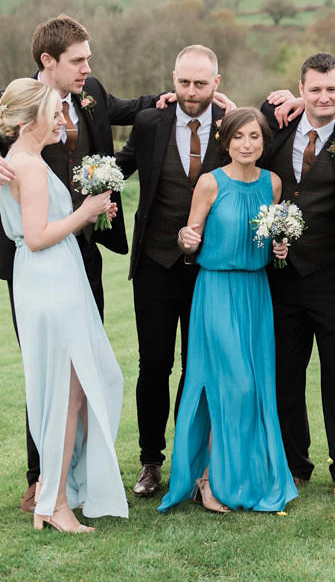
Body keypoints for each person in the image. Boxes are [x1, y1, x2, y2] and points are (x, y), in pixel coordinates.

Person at [0, 14, 159, 512]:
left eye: (89, 59)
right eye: (78, 60)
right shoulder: (15, 101)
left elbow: (136, 106)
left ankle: (78, 475)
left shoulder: (93, 93)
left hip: (83, 253)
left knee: (83, 366)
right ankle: (41, 476)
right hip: (37, 258)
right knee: (46, 367)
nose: (88, 67)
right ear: (49, 62)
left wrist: (186, 97)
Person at [0, 78, 128, 532]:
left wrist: (85, 211)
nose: (63, 119)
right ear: (32, 120)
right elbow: (35, 237)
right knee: (66, 396)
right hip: (48, 279)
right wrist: (84, 213)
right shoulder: (27, 166)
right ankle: (55, 503)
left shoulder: (28, 160)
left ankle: (60, 494)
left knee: (74, 392)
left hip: (55, 277)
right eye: (55, 112)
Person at [158, 108, 298, 513]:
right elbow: (191, 240)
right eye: (239, 137)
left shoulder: (272, 184)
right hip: (216, 290)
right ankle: (208, 479)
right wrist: (186, 240)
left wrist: (280, 250)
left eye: (254, 137)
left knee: (254, 389)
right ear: (226, 141)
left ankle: (241, 475)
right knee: (229, 386)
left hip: (256, 293)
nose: (247, 144)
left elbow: (271, 238)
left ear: (263, 141)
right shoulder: (209, 183)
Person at [114, 45, 227, 499]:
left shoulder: (234, 126)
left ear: (216, 82)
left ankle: (193, 460)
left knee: (198, 366)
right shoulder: (150, 123)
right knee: (154, 364)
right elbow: (121, 166)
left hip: (212, 268)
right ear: (173, 79)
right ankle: (150, 460)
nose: (191, 92)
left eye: (201, 83)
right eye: (184, 82)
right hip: (156, 265)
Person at [258, 53, 335, 499]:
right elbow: (243, 127)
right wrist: (271, 105)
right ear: (300, 89)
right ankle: (293, 463)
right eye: (315, 89)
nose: (324, 97)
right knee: (286, 374)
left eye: (332, 89)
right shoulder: (278, 128)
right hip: (282, 276)